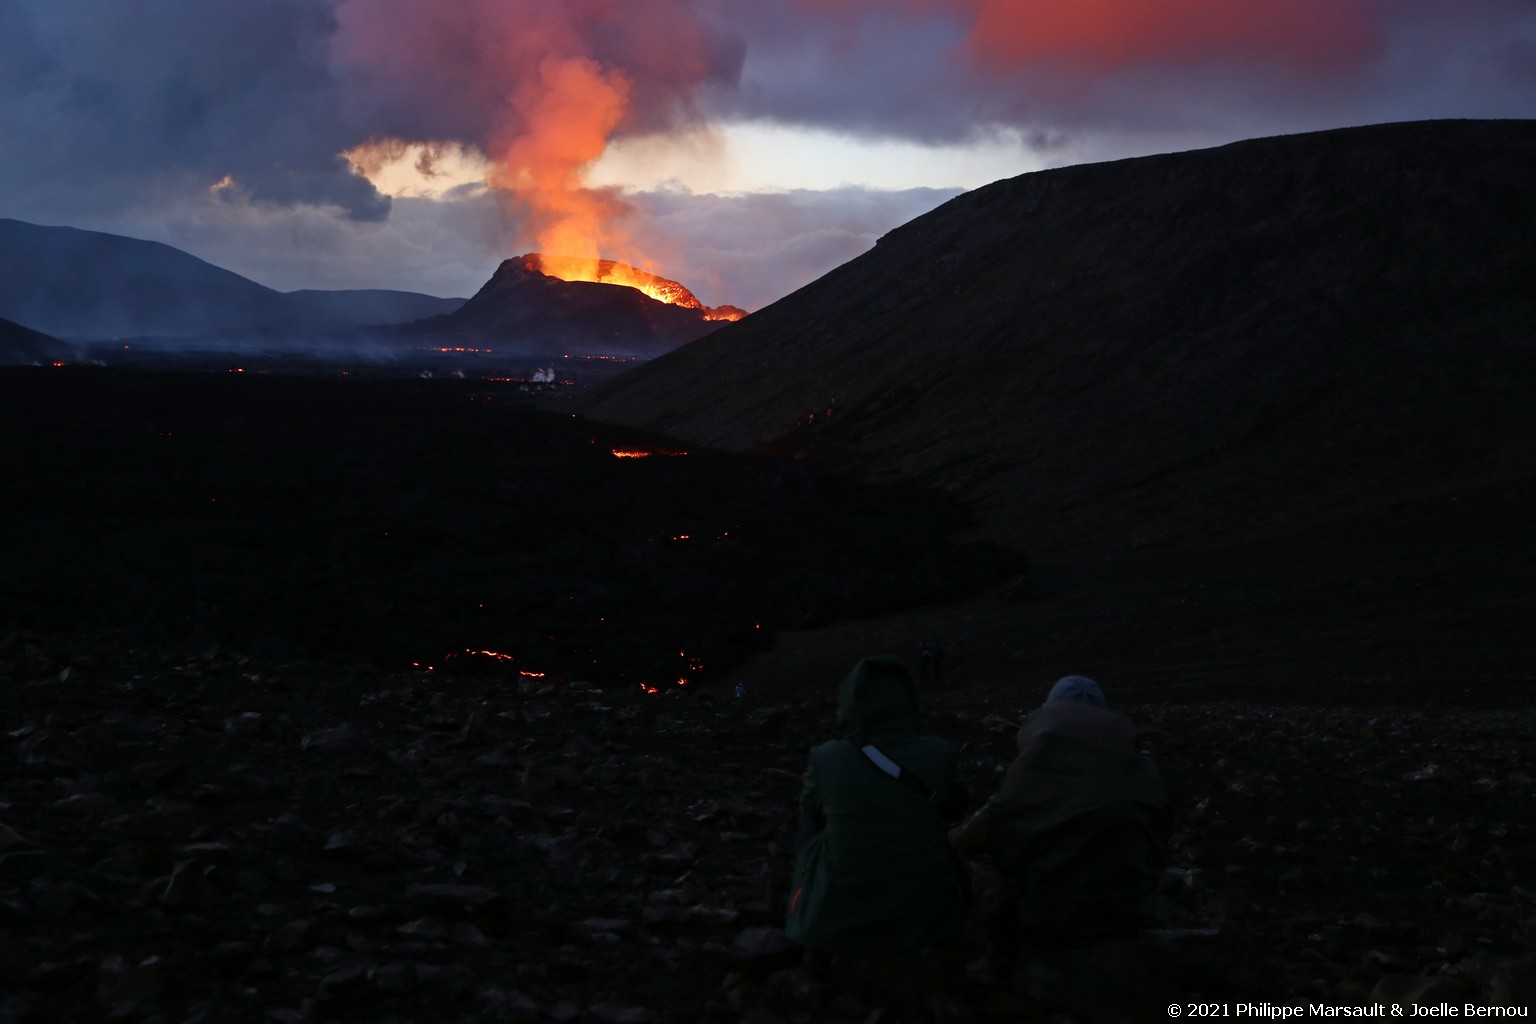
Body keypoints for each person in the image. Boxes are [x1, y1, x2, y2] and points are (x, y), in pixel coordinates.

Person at [951, 675, 1169, 979]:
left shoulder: (1039, 760)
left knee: (1010, 860)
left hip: (1047, 916)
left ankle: (1000, 962)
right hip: (1126, 910)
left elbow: (993, 822)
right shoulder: (1138, 760)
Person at [785, 655, 969, 1000]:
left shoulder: (827, 757)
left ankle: (810, 915)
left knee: (811, 836)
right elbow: (956, 808)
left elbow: (810, 814)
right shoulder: (939, 753)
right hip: (925, 909)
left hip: (843, 904)